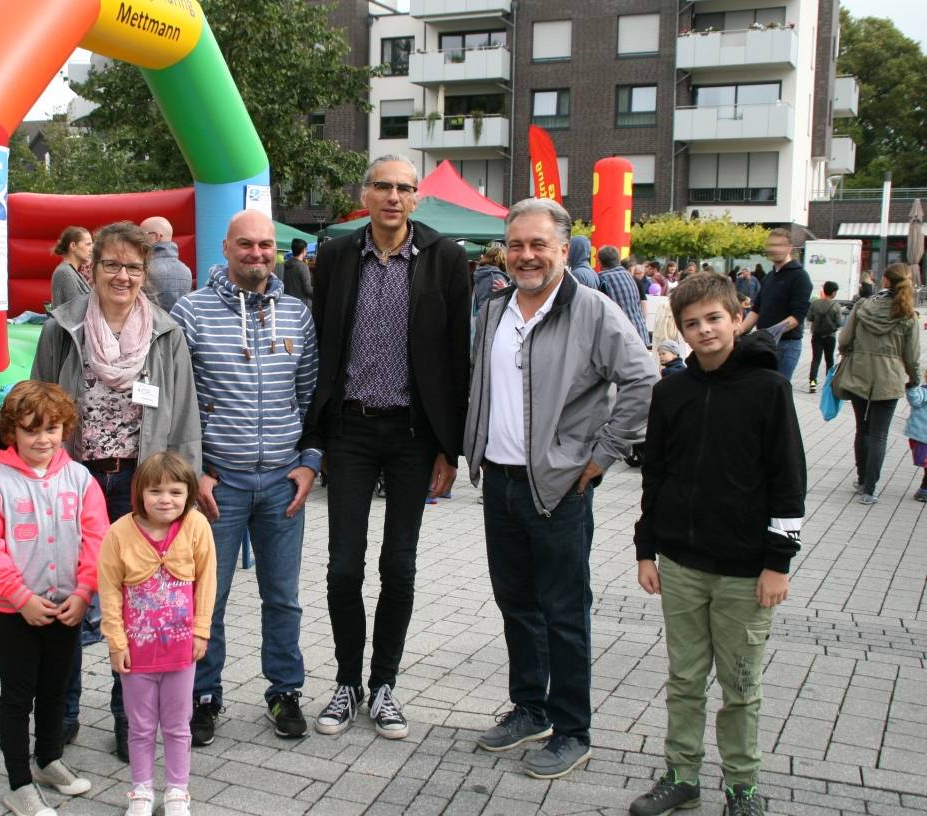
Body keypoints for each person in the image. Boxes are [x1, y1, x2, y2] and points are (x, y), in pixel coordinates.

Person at [465, 197, 656, 779]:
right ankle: (530, 709)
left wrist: (599, 459)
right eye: (516, 245)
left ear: (562, 248)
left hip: (560, 488)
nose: (526, 256)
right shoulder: (496, 308)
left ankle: (573, 729)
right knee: (516, 604)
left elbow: (643, 379)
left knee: (564, 611)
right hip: (498, 481)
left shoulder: (592, 309)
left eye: (538, 245)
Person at [302, 154, 469, 740]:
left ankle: (385, 687)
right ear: (364, 194)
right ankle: (347, 682)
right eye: (382, 186)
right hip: (349, 430)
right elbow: (322, 345)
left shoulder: (446, 258)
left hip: (412, 436)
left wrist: (450, 449)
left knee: (398, 565)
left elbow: (456, 356)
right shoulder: (338, 255)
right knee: (344, 564)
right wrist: (314, 438)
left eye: (403, 188)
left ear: (416, 198)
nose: (392, 196)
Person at [630, 273, 806, 816]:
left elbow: (788, 481)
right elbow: (654, 474)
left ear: (737, 318)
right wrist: (645, 549)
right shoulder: (672, 391)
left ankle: (742, 786)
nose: (704, 330)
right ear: (679, 330)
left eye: (714, 319)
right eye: (691, 323)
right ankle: (682, 774)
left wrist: (778, 562)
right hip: (682, 563)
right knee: (684, 679)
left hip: (746, 570)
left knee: (740, 684)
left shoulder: (767, 389)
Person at [32, 220, 201, 760]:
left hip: (140, 481)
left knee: (138, 604)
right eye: (112, 265)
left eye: (133, 266)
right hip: (75, 479)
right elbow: (38, 404)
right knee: (70, 595)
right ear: (91, 268)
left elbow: (184, 417)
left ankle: (130, 721)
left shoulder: (166, 333)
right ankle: (63, 713)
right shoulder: (62, 327)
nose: (122, 275)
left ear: (145, 272)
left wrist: (183, 493)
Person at [170, 209, 320, 744]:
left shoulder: (298, 314)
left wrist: (310, 462)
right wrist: (195, 474)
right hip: (219, 485)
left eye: (266, 245)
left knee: (284, 597)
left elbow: (311, 395)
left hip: (282, 480)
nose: (258, 254)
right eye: (246, 245)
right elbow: (176, 400)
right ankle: (204, 696)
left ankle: (284, 691)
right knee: (208, 596)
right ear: (226, 248)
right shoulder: (190, 312)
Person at [0, 382, 107, 816]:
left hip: (67, 606)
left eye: (52, 429)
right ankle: (18, 783)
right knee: (17, 696)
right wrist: (19, 596)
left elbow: (97, 538)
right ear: (12, 433)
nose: (43, 439)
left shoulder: (80, 477)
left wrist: (85, 592)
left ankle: (48, 761)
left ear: (65, 429)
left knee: (55, 689)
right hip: (15, 612)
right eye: (31, 431)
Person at [99, 451, 215, 816]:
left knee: (179, 726)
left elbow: (207, 582)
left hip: (182, 650)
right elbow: (109, 590)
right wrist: (116, 643)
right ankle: (141, 790)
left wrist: (201, 631)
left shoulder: (196, 526)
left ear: (190, 494)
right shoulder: (119, 533)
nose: (166, 499)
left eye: (176, 492)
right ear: (139, 493)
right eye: (156, 491)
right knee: (140, 726)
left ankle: (178, 791)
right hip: (136, 653)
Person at [831, 263, 920, 504]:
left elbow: (845, 338)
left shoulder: (863, 306)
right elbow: (912, 357)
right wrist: (915, 380)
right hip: (889, 378)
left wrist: (851, 351)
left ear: (885, 281)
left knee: (863, 429)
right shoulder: (908, 315)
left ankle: (861, 479)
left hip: (859, 372)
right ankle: (870, 490)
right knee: (880, 435)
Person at [740, 228, 812, 380]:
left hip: (786, 345)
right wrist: (738, 330)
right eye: (771, 245)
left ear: (789, 248)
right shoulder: (769, 277)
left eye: (779, 245)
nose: (774, 248)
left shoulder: (800, 277)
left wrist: (768, 334)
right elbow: (756, 310)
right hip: (765, 344)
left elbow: (797, 317)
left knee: (777, 393)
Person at [598, 245, 651, 347]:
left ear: (600, 262)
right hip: (641, 333)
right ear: (618, 259)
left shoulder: (602, 279)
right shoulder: (630, 277)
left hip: (624, 339)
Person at [141, 216, 195, 312]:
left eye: (141, 234)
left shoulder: (144, 268)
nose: (138, 239)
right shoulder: (186, 270)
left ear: (155, 237)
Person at [806, 281, 842, 393]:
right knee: (829, 360)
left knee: (816, 360)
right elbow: (839, 323)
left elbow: (809, 318)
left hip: (817, 335)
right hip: (830, 336)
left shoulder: (815, 304)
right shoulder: (836, 305)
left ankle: (812, 384)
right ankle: (828, 385)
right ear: (833, 292)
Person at [51, 226, 93, 308]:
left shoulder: (72, 271)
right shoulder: (65, 272)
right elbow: (76, 312)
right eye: (88, 244)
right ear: (73, 246)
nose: (91, 249)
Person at [903, 370, 927, 502]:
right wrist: (911, 388)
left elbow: (915, 401)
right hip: (922, 437)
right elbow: (916, 400)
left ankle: (924, 490)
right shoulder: (924, 391)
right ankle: (924, 490)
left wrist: (911, 388)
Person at [473, 245, 509, 315]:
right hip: (492, 317)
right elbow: (502, 302)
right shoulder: (496, 276)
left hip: (480, 316)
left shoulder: (480, 274)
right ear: (497, 258)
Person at [282, 237, 315, 308]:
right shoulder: (302, 266)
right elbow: (308, 289)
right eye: (306, 249)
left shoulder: (286, 264)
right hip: (302, 305)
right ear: (303, 250)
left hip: (288, 302)